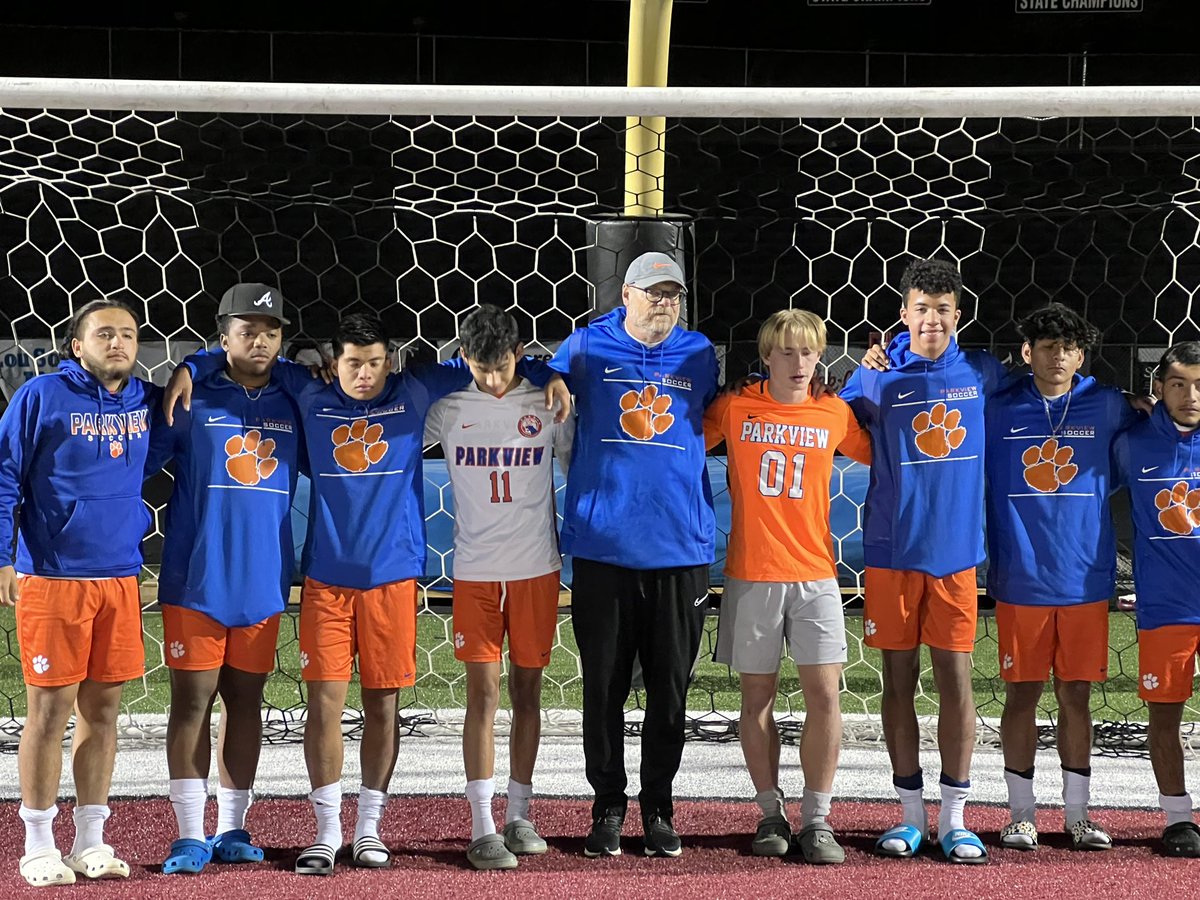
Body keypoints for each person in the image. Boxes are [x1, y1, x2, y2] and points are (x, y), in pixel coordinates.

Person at [166, 311, 567, 875]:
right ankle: (326, 832)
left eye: (376, 363)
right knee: (322, 708)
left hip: (394, 579)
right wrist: (194, 361)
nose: (365, 374)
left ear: (391, 362)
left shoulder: (418, 388)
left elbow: (490, 360)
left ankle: (369, 828)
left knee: (384, 707)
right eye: (354, 363)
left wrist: (546, 370)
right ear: (333, 363)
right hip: (326, 580)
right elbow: (250, 359)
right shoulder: (305, 391)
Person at [549, 251, 719, 858]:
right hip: (604, 547)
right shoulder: (586, 348)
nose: (664, 302)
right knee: (604, 687)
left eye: (673, 292)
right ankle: (607, 807)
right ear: (625, 294)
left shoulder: (700, 354)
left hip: (680, 549)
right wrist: (552, 378)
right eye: (653, 292)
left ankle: (659, 807)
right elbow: (541, 373)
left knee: (671, 691)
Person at [840, 257, 1006, 864]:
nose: (931, 319)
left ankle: (957, 818)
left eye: (942, 309)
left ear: (957, 315)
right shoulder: (874, 376)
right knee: (899, 683)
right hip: (890, 554)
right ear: (903, 314)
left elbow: (1051, 391)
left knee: (957, 683)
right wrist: (866, 363)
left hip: (957, 557)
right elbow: (827, 413)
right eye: (920, 309)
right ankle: (910, 817)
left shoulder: (985, 373)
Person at [0, 299, 164, 886]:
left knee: (104, 712)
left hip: (119, 578)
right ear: (77, 344)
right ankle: (38, 844)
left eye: (128, 334)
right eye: (104, 334)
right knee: (48, 712)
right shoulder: (40, 397)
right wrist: (3, 557)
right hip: (53, 578)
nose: (118, 343)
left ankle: (90, 839)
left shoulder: (147, 403)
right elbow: (4, 475)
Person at [704, 310, 870, 864]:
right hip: (752, 574)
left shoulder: (834, 411)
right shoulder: (734, 407)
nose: (801, 364)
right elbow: (672, 442)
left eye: (811, 352)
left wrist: (875, 373)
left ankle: (818, 819)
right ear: (767, 356)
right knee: (757, 700)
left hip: (818, 574)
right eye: (790, 352)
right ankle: (770, 812)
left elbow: (891, 448)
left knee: (826, 696)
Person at [156, 283, 302, 876]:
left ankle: (233, 825)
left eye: (270, 330)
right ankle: (190, 834)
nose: (259, 339)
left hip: (264, 582)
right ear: (222, 336)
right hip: (197, 581)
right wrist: (194, 365)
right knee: (191, 703)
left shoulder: (296, 399)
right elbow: (140, 462)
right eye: (246, 329)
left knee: (247, 704)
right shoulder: (191, 398)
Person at [424, 304, 575, 870]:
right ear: (463, 359)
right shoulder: (447, 409)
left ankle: (520, 813)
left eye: (503, 365)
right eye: (481, 368)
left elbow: (574, 463)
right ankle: (483, 825)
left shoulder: (546, 401)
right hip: (474, 571)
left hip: (537, 566)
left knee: (528, 694)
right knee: (482, 695)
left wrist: (552, 375)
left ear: (519, 353)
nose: (492, 379)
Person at [985, 303, 1139, 851]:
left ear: (1082, 355)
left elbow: (1146, 447)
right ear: (1027, 353)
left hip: (1084, 580)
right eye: (1047, 346)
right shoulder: (996, 406)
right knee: (1021, 695)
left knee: (1077, 697)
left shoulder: (1109, 406)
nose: (1059, 356)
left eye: (1069, 347)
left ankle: (1077, 816)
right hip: (1020, 578)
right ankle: (1021, 814)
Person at [1112, 341, 1200, 857]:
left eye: (1199, 384)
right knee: (1165, 717)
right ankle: (1177, 820)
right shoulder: (1132, 443)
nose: (1190, 395)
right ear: (1158, 389)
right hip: (1166, 607)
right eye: (1178, 383)